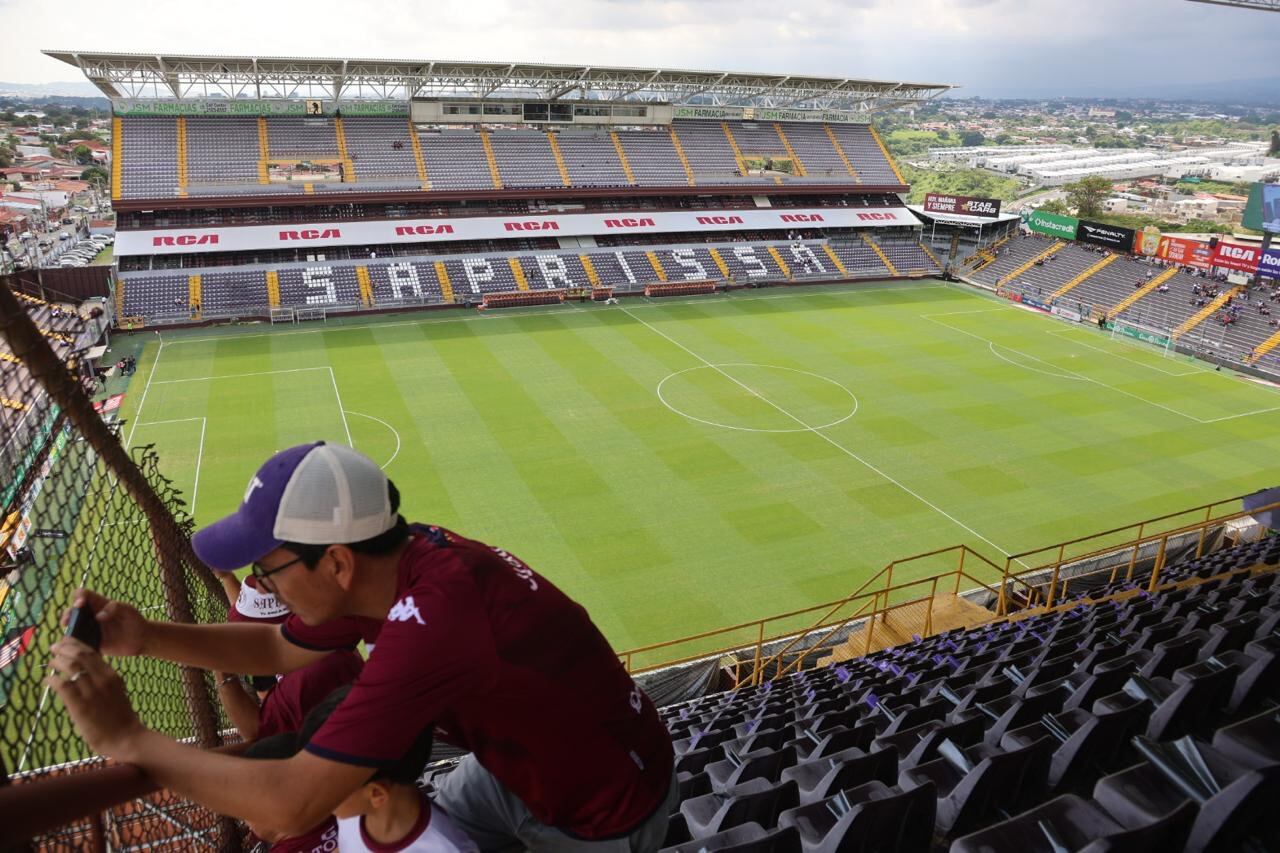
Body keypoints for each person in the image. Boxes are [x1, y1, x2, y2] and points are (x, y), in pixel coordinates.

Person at [46, 442, 676, 850]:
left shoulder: (434, 625)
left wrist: (127, 740)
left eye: (268, 570)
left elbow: (293, 804)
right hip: (519, 766)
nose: (262, 586)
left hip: (603, 810)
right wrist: (148, 637)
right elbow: (275, 650)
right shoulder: (398, 567)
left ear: (338, 564)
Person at [302, 685, 478, 853]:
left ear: (377, 794)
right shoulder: (356, 807)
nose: (314, 794)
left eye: (324, 787)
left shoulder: (443, 848)